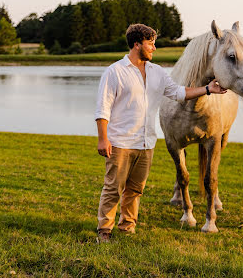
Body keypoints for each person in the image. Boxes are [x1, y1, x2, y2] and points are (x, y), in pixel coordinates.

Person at [95, 24, 227, 243]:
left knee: (135, 189)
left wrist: (206, 89)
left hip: (146, 142)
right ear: (137, 44)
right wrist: (103, 138)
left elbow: (178, 92)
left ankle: (127, 226)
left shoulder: (157, 72)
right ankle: (104, 230)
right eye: (150, 43)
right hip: (121, 141)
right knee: (113, 188)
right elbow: (103, 108)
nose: (154, 48)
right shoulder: (115, 71)